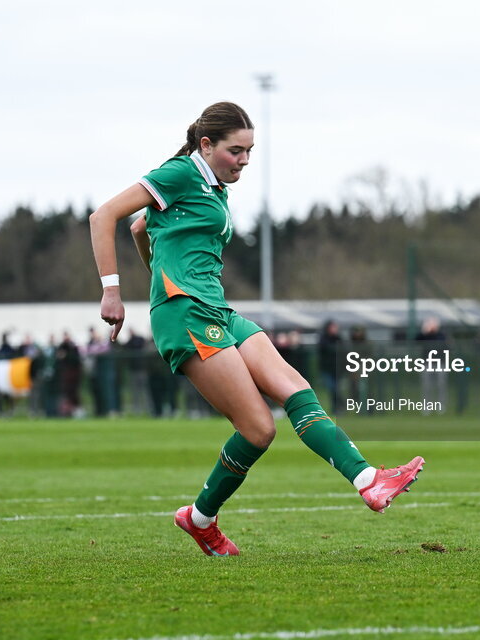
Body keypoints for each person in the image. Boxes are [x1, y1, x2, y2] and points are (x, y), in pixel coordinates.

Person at [88, 101, 423, 556]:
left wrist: (157, 268)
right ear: (205, 145)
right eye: (235, 151)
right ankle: (201, 519)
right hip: (186, 314)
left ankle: (368, 481)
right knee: (258, 429)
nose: (244, 160)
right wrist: (116, 291)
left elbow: (141, 226)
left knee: (296, 390)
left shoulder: (212, 186)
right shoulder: (180, 173)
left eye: (250, 151)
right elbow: (105, 216)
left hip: (217, 310)